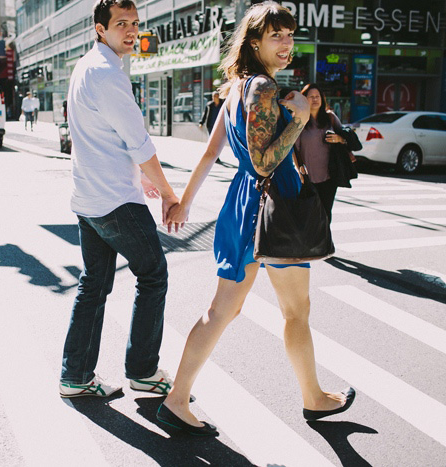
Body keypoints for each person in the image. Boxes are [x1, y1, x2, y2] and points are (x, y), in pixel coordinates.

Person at [159, 1, 355, 436]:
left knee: (225, 308)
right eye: (276, 36)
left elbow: (212, 152)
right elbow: (266, 163)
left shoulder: (235, 88)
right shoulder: (263, 89)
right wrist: (299, 118)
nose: (287, 44)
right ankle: (314, 399)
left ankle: (177, 398)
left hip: (244, 204)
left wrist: (184, 202)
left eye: (289, 34)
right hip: (274, 205)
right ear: (254, 42)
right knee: (295, 310)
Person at [59, 0, 181, 399]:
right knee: (153, 274)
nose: (131, 31)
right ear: (100, 28)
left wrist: (140, 177)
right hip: (114, 200)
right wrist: (166, 191)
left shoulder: (85, 66)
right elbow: (138, 141)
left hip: (90, 197)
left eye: (134, 23)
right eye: (120, 24)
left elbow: (104, 137)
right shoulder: (107, 73)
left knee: (94, 285)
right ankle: (143, 370)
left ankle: (75, 377)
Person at [293, 83, 348, 222]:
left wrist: (339, 139)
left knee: (325, 213)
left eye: (318, 96)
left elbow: (347, 139)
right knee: (308, 214)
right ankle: (310, 242)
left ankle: (324, 242)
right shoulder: (299, 119)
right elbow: (294, 149)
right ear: (305, 99)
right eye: (311, 96)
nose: (315, 99)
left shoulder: (330, 118)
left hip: (329, 176)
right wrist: (299, 172)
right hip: (308, 177)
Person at [199, 91, 225, 164]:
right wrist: (201, 122)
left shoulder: (222, 105)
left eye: (216, 96)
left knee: (218, 142)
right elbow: (205, 114)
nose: (214, 98)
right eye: (213, 97)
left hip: (220, 126)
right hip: (210, 125)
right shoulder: (210, 105)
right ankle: (216, 157)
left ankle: (216, 156)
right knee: (213, 141)